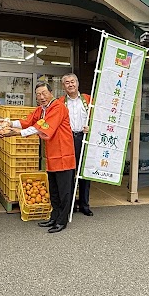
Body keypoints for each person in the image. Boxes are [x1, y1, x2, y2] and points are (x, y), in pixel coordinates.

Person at [7, 82, 75, 233]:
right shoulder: (41, 110)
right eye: (38, 94)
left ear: (51, 93)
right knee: (54, 189)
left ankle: (61, 221)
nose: (41, 97)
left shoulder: (58, 107)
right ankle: (54, 217)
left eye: (44, 93)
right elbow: (27, 121)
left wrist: (18, 133)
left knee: (64, 192)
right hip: (51, 155)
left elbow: (42, 127)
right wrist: (8, 122)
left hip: (63, 155)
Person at [61, 73, 93, 216]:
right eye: (67, 82)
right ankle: (71, 204)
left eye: (72, 81)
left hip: (84, 138)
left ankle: (85, 204)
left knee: (84, 172)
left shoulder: (88, 99)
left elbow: (98, 118)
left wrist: (90, 127)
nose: (70, 84)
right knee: (69, 172)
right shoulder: (60, 102)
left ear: (77, 84)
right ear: (64, 86)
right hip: (68, 139)